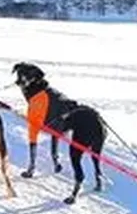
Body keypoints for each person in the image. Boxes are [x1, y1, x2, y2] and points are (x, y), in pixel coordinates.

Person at [12, 62, 106, 204]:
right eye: (20, 76)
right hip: (94, 121)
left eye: (25, 78)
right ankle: (98, 178)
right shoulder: (47, 93)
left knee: (75, 156)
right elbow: (56, 130)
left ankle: (75, 191)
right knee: (95, 153)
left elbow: (34, 132)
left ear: (36, 79)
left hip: (83, 123)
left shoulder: (38, 100)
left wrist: (31, 168)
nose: (21, 81)